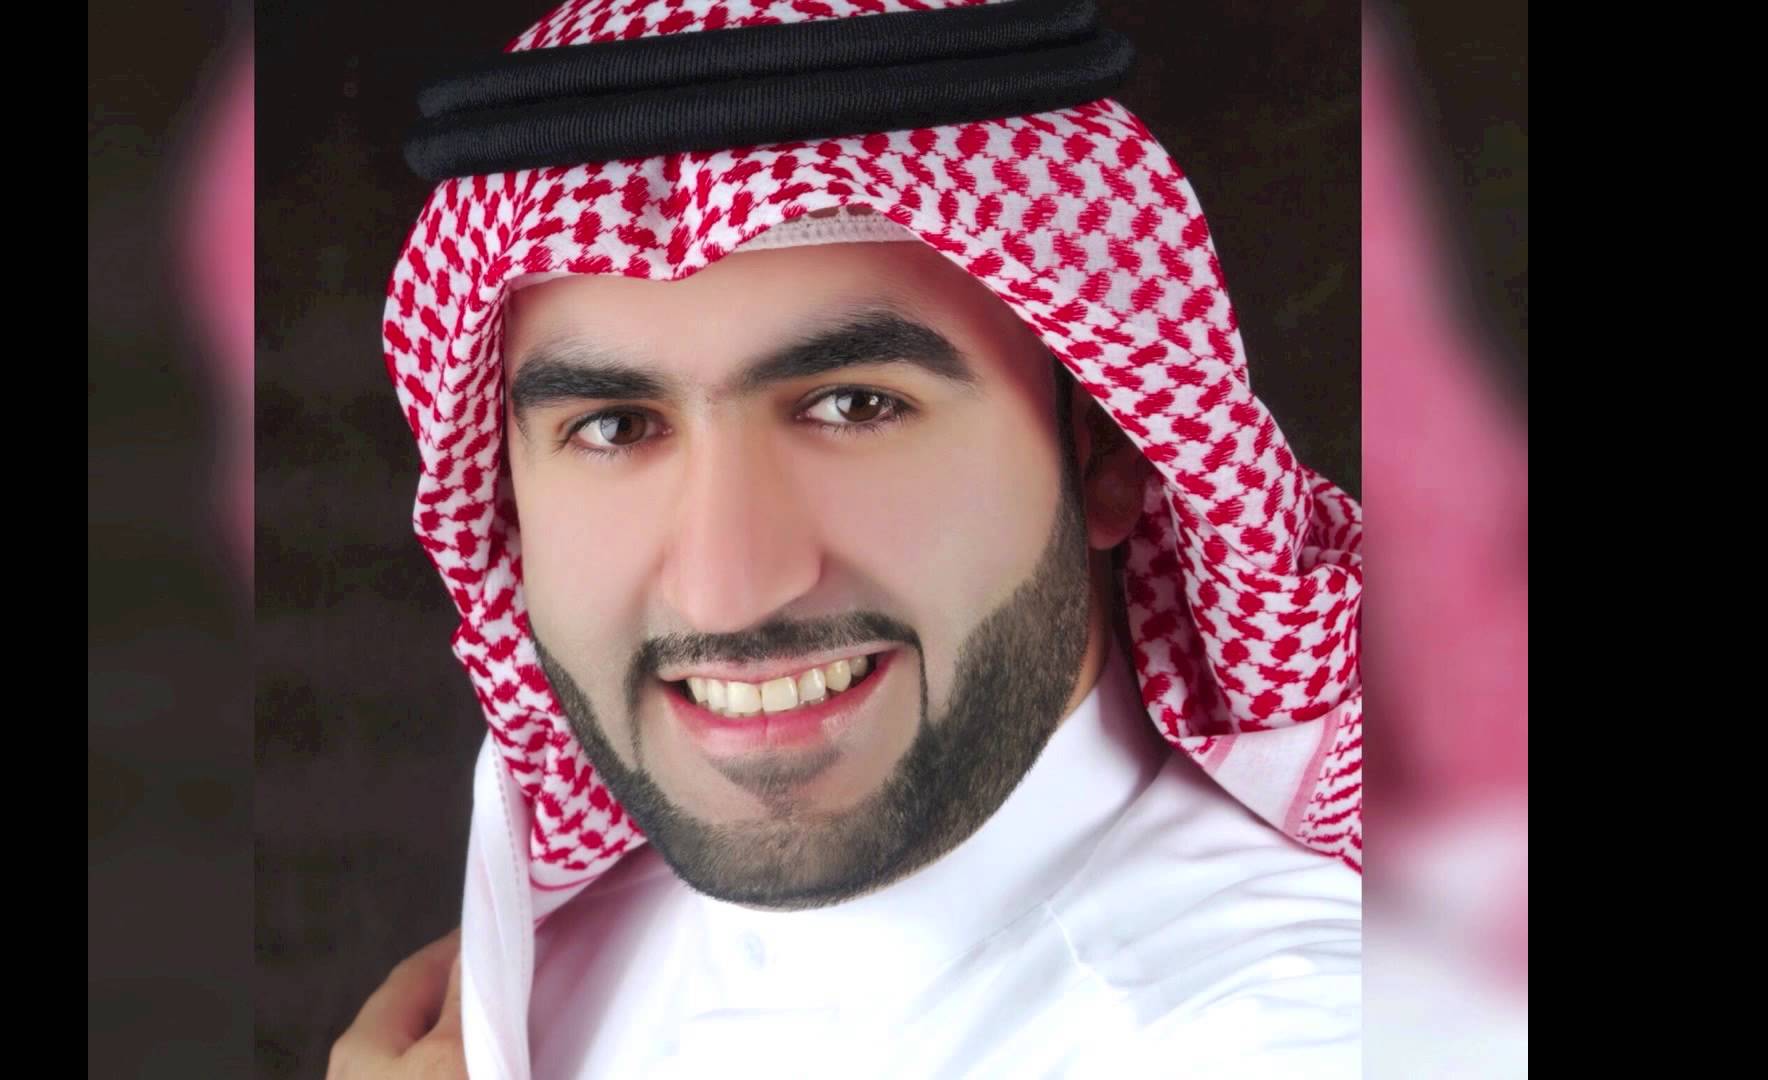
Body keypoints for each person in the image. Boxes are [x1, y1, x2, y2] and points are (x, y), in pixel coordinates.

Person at [336, 2, 1362, 1076]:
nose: (727, 590)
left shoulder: (1288, 1034)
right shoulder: (524, 991)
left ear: (1107, 450)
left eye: (856, 407)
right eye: (614, 427)